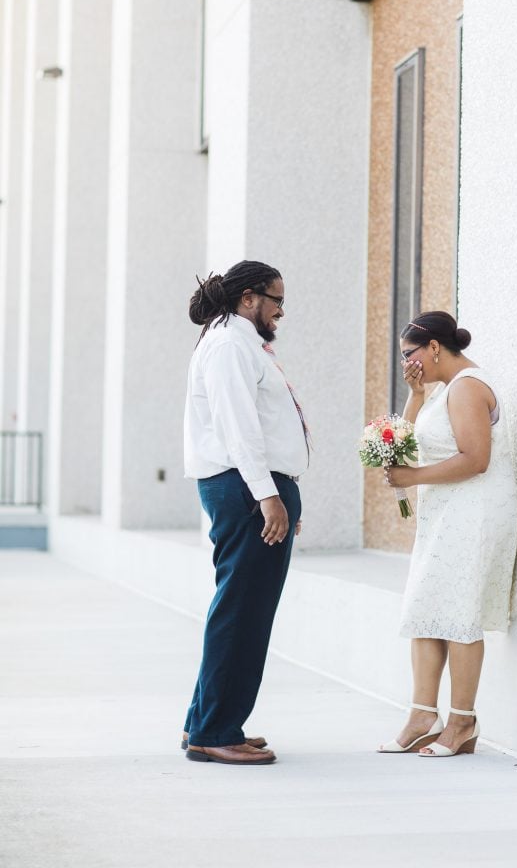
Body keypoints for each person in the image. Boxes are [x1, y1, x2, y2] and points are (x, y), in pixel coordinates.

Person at [182, 260, 309, 766]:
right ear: (249, 298)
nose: (281, 311)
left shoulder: (237, 342)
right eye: (277, 300)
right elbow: (240, 429)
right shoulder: (231, 345)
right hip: (245, 489)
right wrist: (268, 496)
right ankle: (216, 731)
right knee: (243, 613)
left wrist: (276, 491)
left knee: (238, 608)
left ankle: (205, 722)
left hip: (250, 489)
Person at [378, 311, 517, 758]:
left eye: (410, 354)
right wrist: (414, 395)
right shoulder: (439, 392)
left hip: (474, 511)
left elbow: (476, 458)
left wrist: (414, 477)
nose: (408, 362)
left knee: (459, 611)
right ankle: (423, 714)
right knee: (425, 606)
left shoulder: (468, 387)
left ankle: (462, 722)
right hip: (445, 512)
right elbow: (404, 438)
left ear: (434, 347)